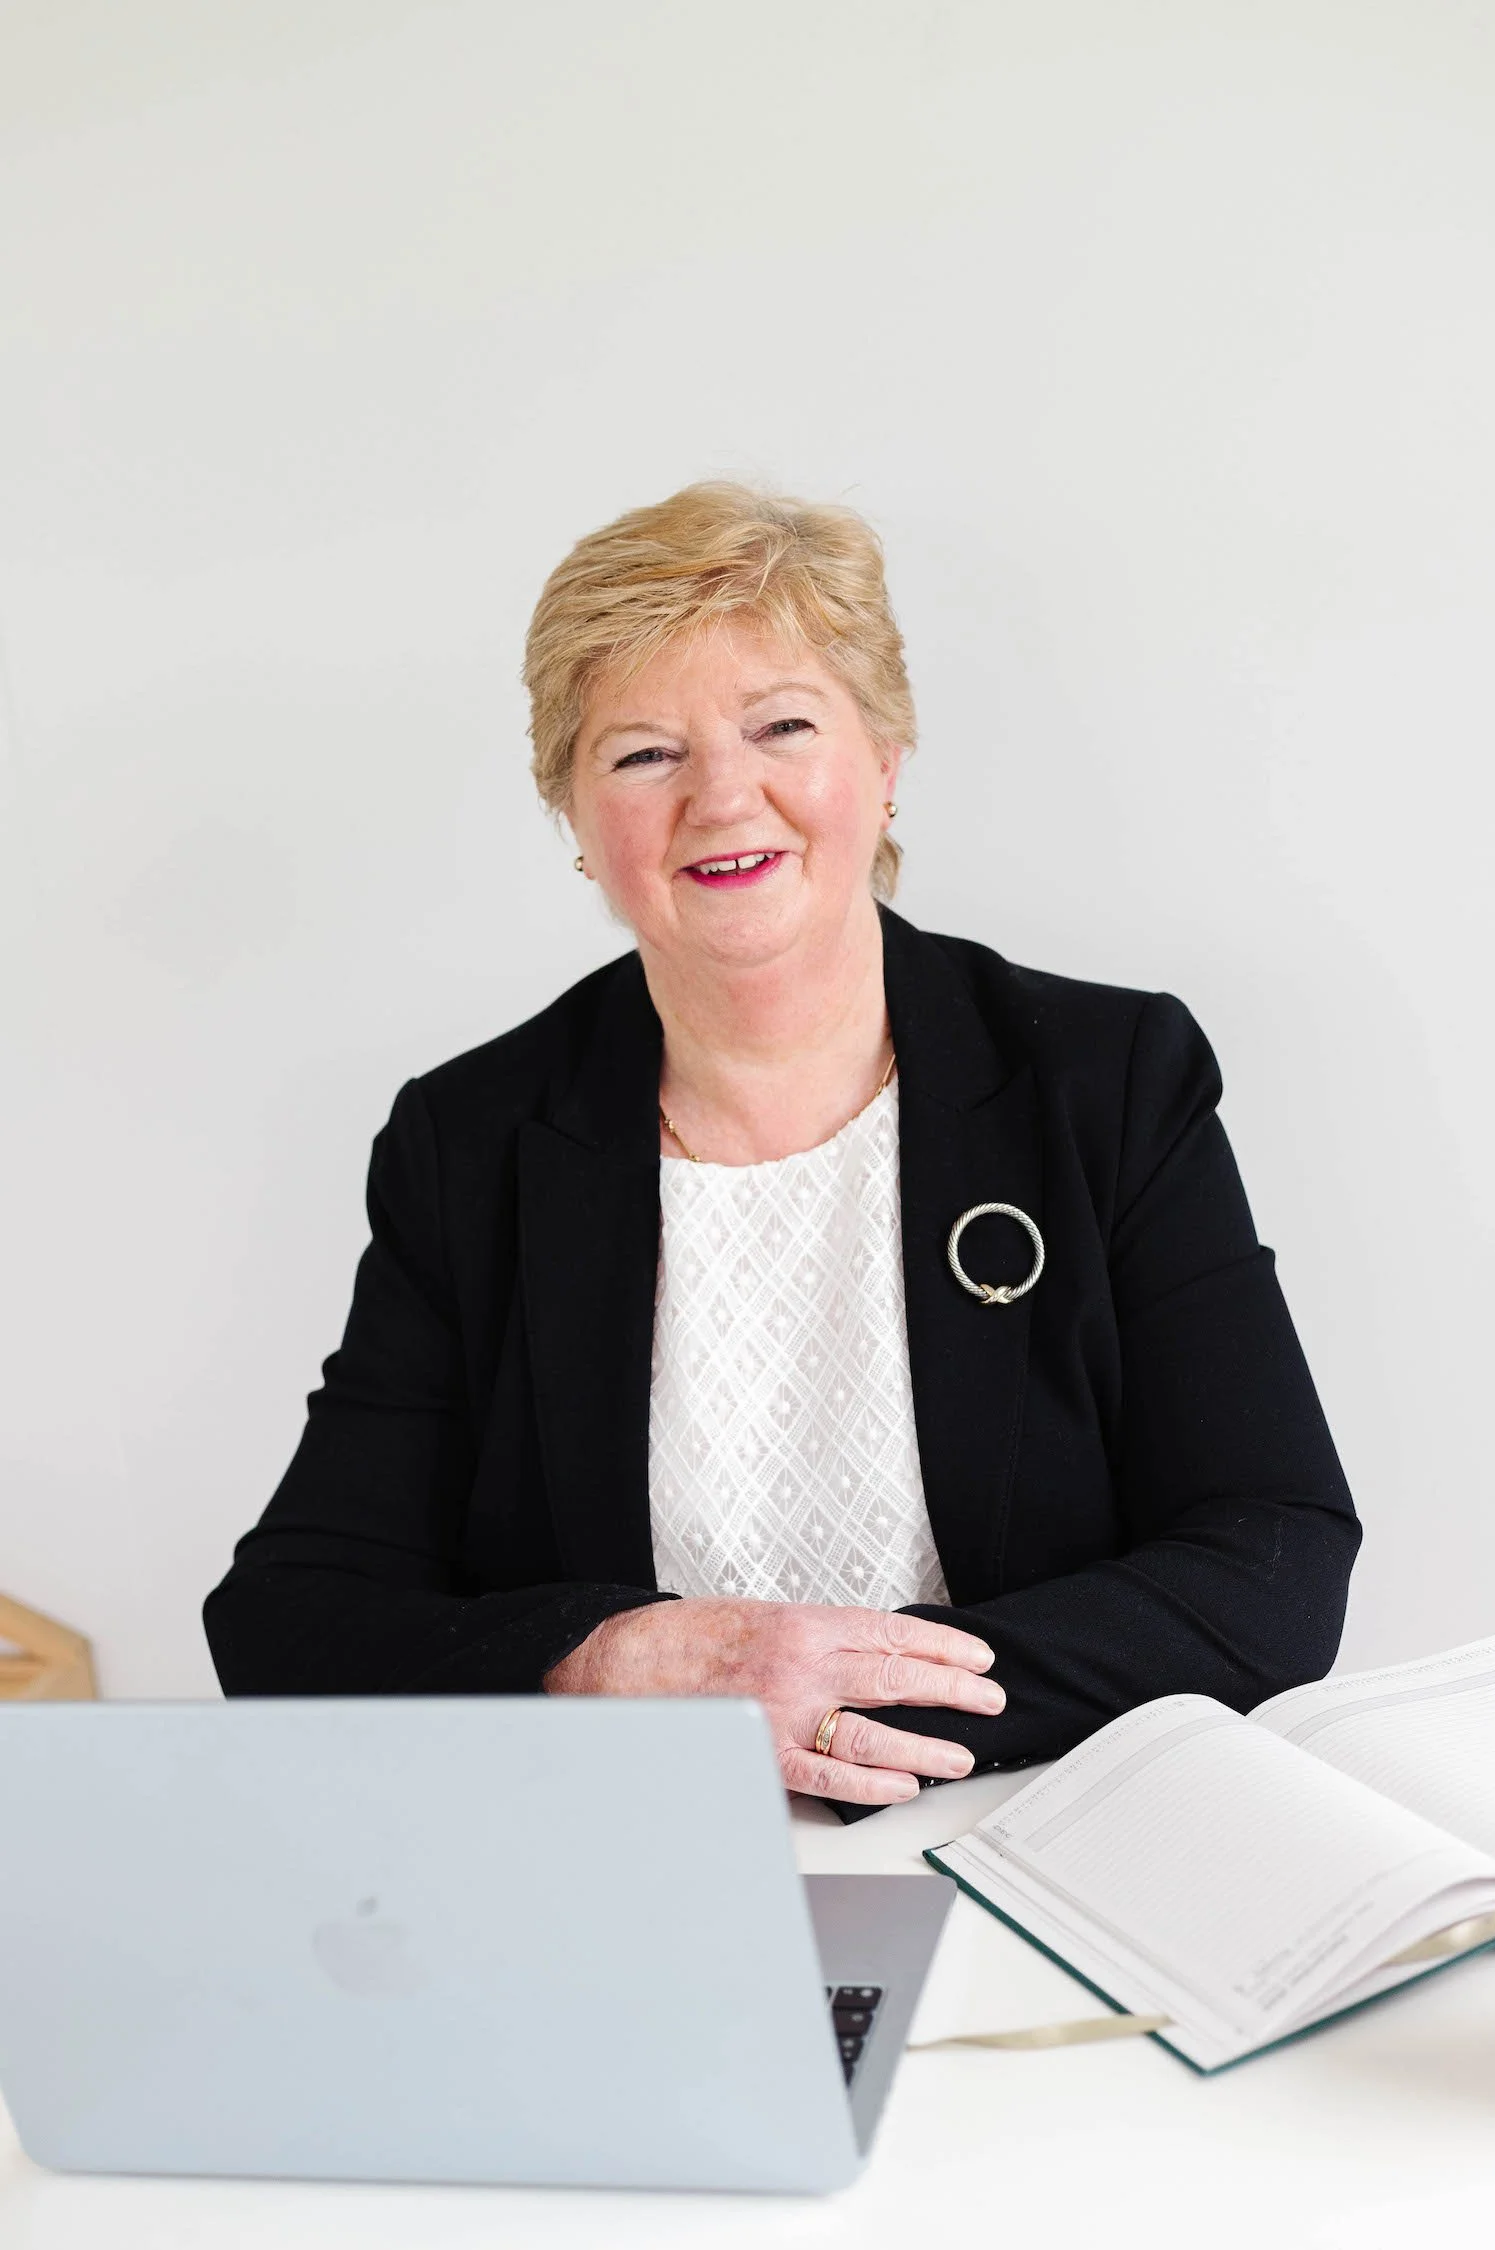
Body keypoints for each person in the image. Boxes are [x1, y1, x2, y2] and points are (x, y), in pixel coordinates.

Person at [204, 482, 1360, 1814]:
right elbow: (291, 1617)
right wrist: (607, 1662)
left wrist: (835, 1704)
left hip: (1050, 1841)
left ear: (884, 758)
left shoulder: (1104, 1082)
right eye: (642, 754)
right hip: (630, 1869)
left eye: (781, 726)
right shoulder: (472, 1143)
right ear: (576, 820)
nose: (719, 795)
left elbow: (1274, 1558)